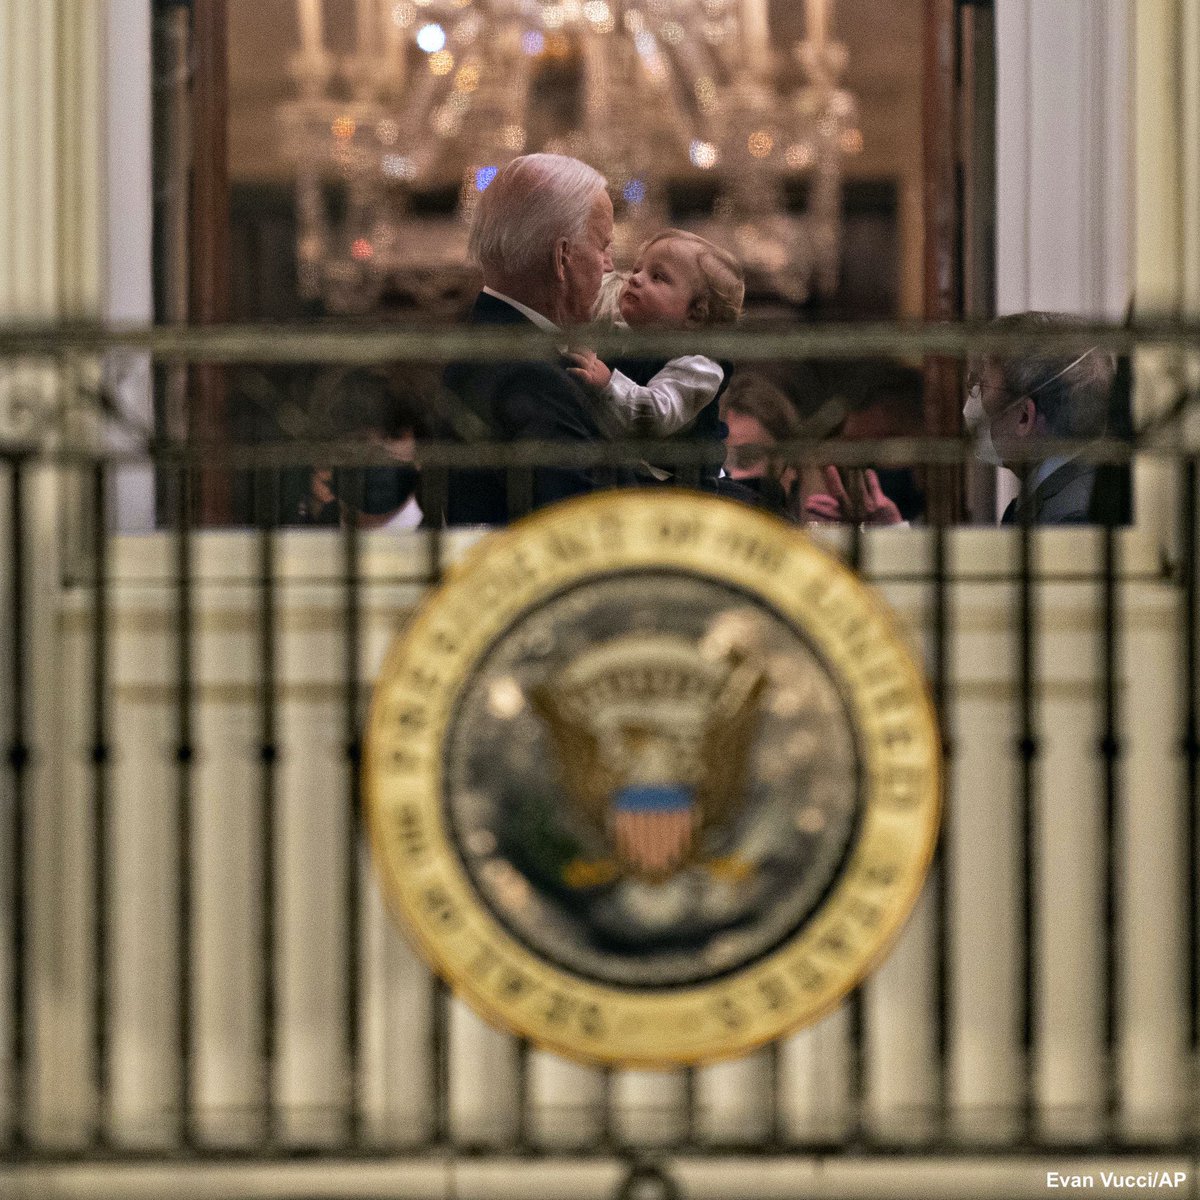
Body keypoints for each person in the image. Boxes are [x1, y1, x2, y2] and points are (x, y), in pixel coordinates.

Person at [436, 152, 633, 526]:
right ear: (563, 259)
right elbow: (587, 527)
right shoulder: (531, 376)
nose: (609, 264)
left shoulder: (486, 346)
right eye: (603, 245)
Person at [565, 228, 744, 440]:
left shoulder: (699, 368)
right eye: (636, 270)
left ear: (695, 315)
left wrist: (608, 384)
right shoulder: (621, 336)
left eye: (657, 277)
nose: (634, 279)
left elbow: (655, 416)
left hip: (667, 473)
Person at [965, 312, 1120, 525]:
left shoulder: (1069, 521)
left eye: (983, 385)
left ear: (1024, 417)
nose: (973, 399)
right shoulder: (1050, 499)